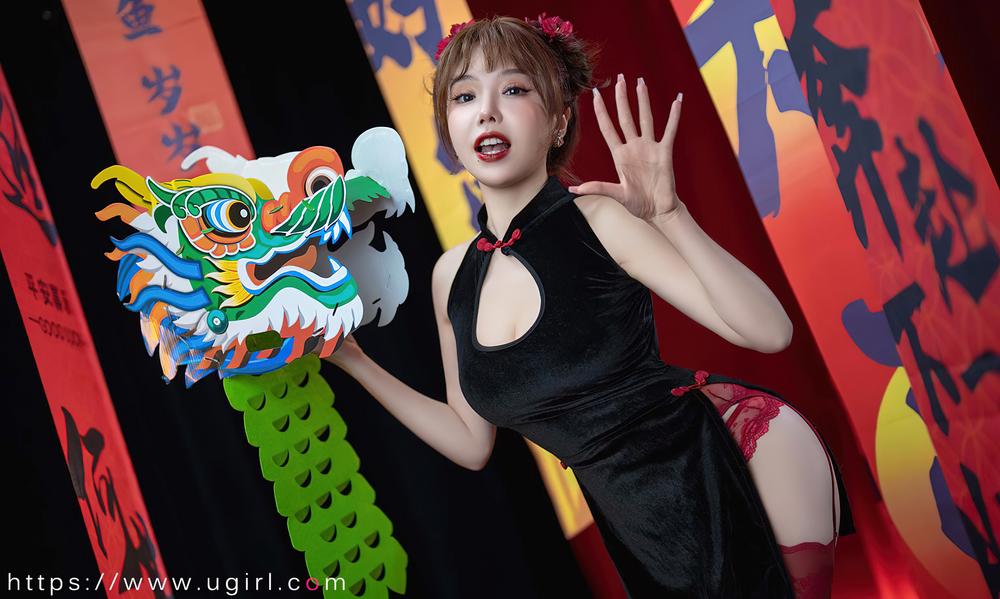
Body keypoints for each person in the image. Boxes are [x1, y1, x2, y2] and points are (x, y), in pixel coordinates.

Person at [326, 14, 852, 598]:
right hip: (639, 522)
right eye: (465, 96)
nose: (487, 112)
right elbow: (470, 442)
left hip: (733, 454)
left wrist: (671, 216)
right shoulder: (451, 277)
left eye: (514, 90)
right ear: (448, 129)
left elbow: (770, 332)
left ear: (558, 122)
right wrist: (353, 360)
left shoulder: (597, 219)